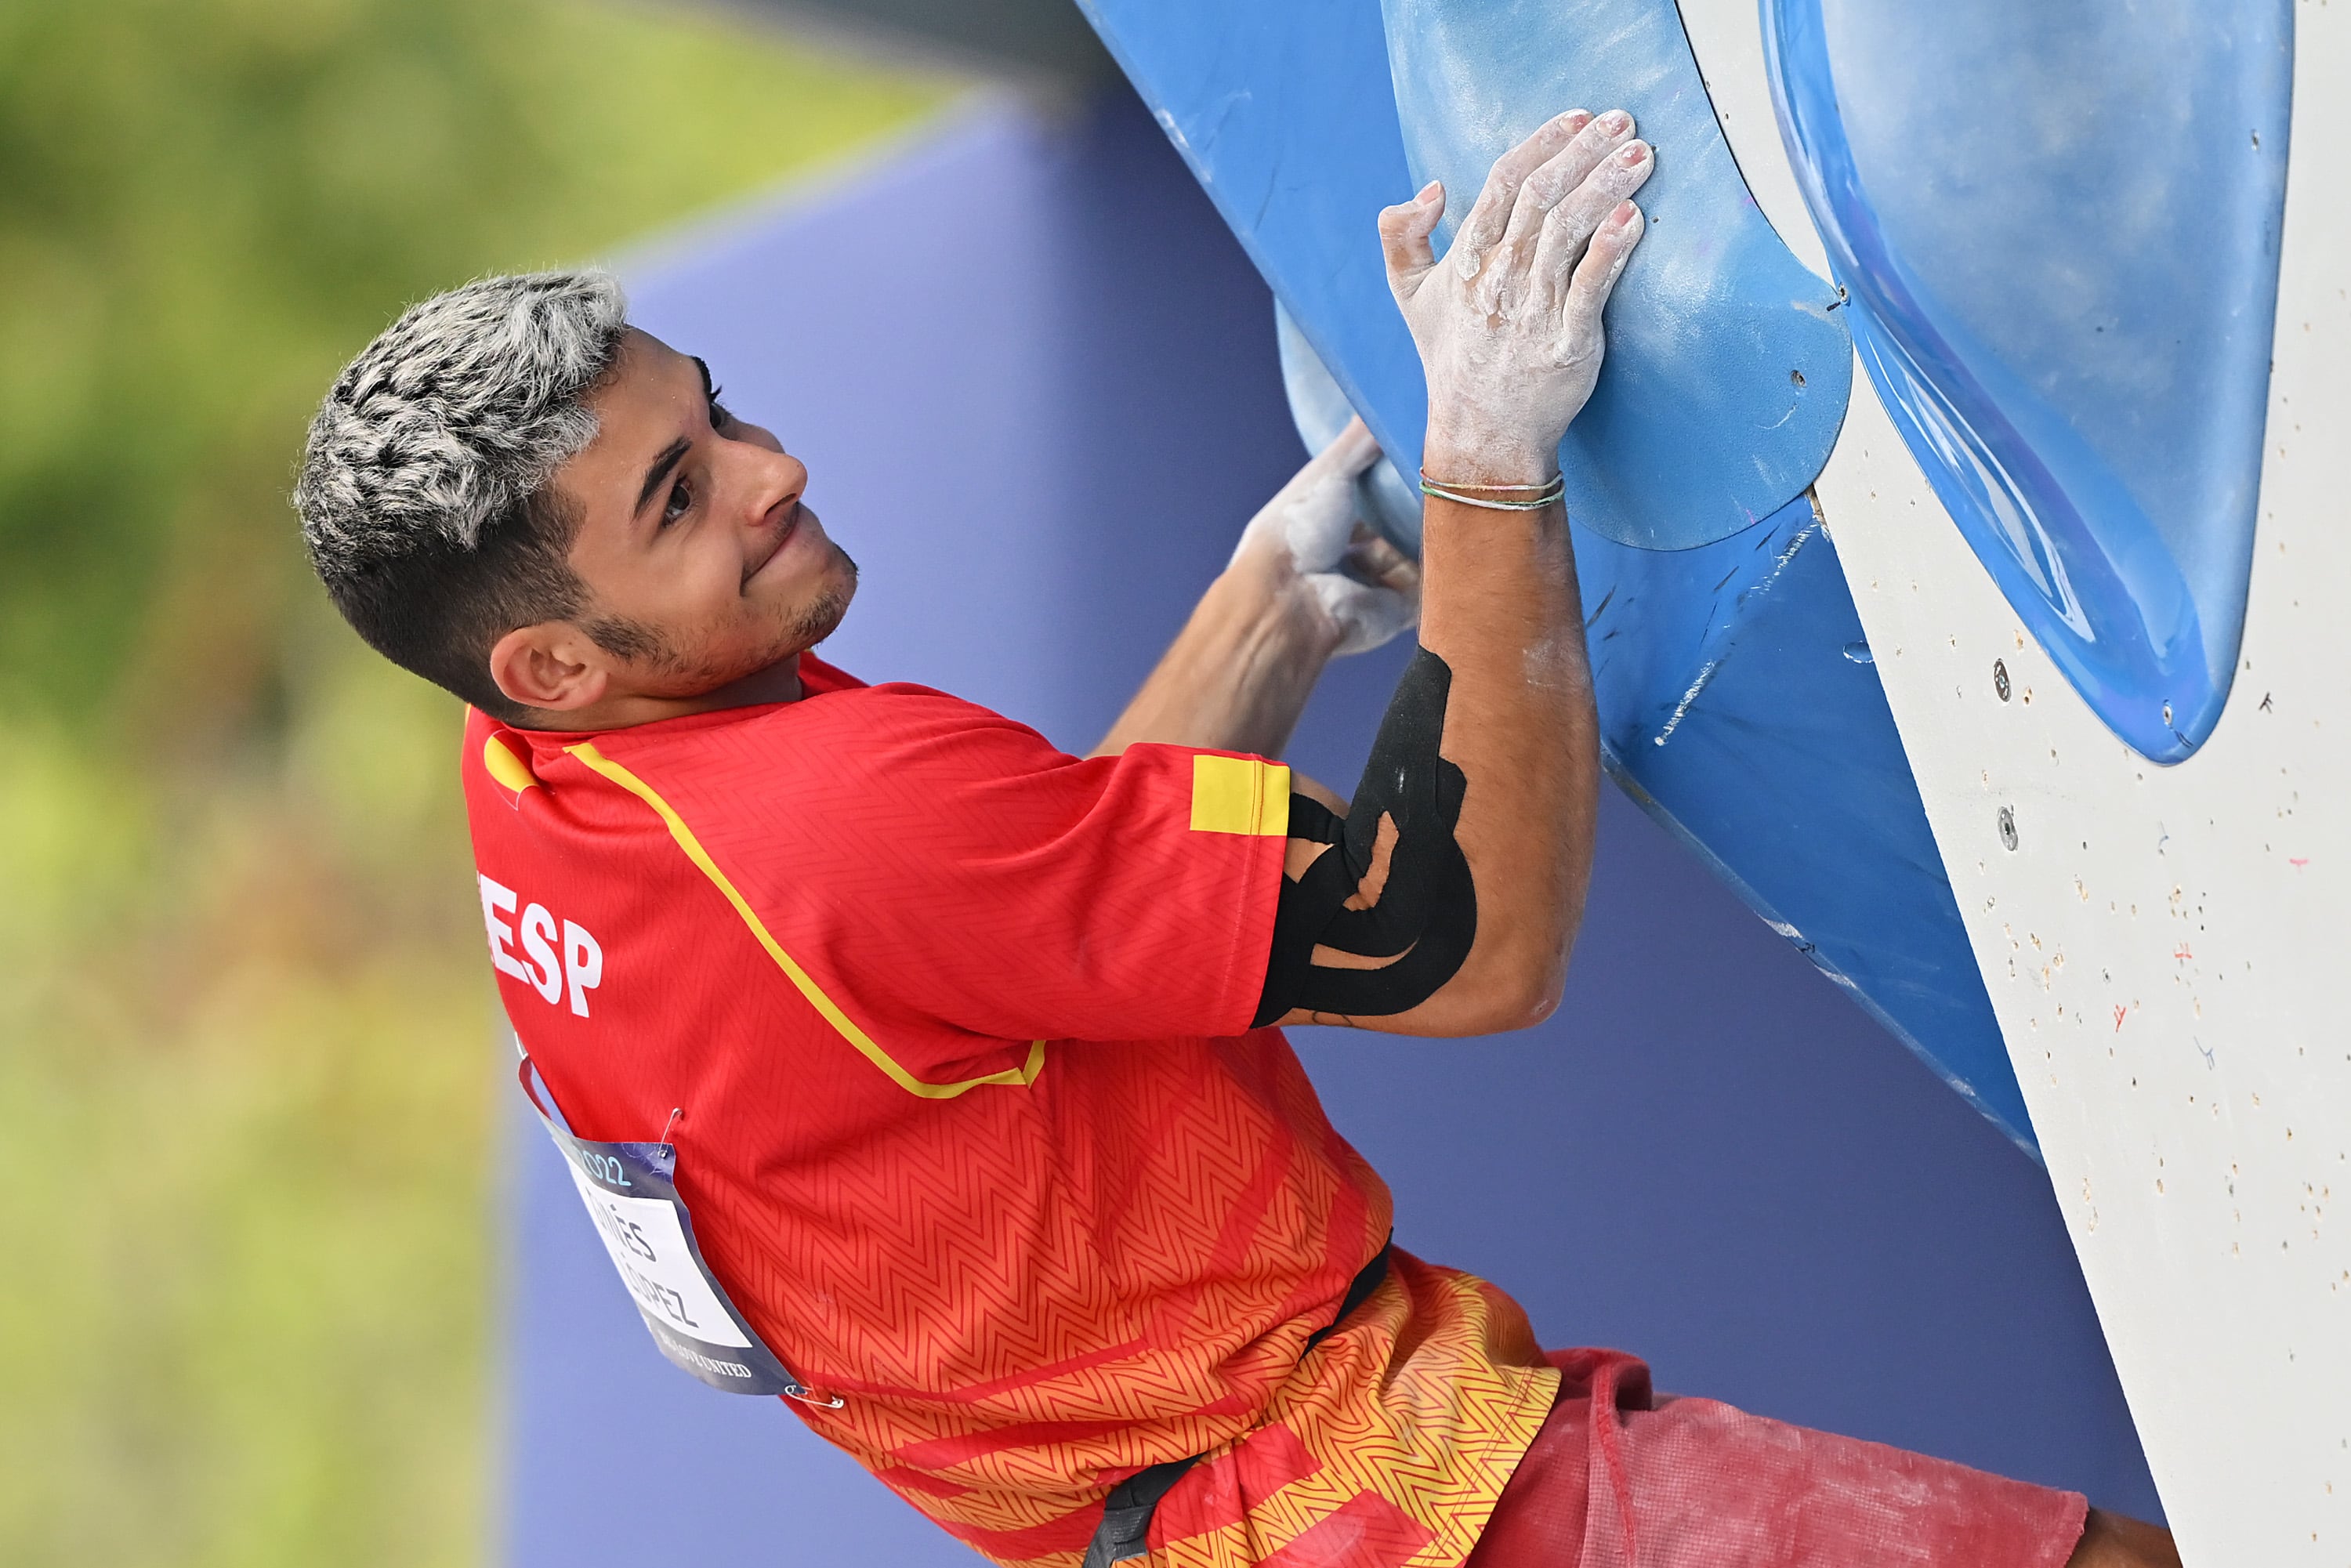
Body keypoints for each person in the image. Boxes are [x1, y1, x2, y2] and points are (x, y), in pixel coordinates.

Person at [294, 108, 2177, 1568]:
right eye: (684, 496)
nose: (777, 472)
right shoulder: (836, 821)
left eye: (725, 414)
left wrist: (1277, 595)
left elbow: (1031, 926)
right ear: (549, 657)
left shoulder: (542, 787)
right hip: (1356, 1499)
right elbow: (1465, 943)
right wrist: (1490, 460)